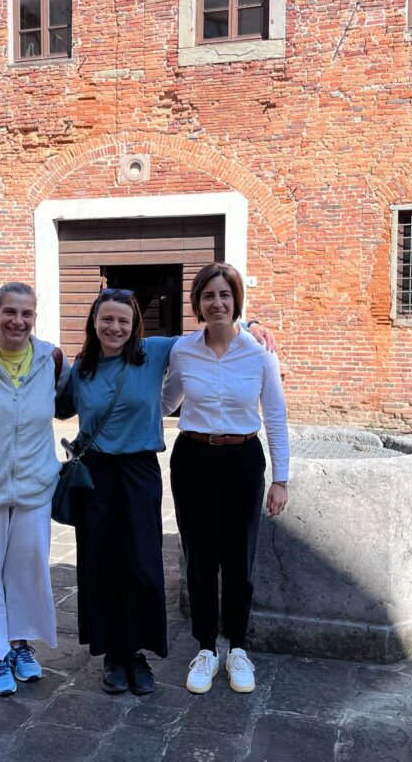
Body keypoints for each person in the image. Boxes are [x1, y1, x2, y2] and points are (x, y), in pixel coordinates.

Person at [56, 288, 274, 696]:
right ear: (94, 322)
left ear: (135, 325)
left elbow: (210, 331)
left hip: (139, 471)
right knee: (101, 564)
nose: (115, 327)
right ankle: (112, 654)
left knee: (142, 564)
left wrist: (249, 324)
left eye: (123, 320)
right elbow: (57, 407)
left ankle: (137, 653)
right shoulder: (81, 367)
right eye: (107, 319)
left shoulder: (153, 352)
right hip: (96, 475)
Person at [161, 263, 289, 695]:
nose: (217, 303)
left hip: (242, 461)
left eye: (225, 295)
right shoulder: (183, 350)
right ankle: (205, 649)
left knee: (239, 559)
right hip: (193, 459)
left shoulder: (259, 354)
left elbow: (275, 416)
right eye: (209, 295)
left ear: (236, 301)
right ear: (197, 302)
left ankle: (237, 648)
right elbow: (167, 401)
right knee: (199, 559)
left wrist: (281, 478)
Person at [0, 282, 68, 696]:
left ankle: (20, 644)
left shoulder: (51, 360)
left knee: (27, 569)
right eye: (9, 312)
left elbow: (72, 401)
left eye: (26, 313)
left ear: (35, 317)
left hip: (35, 485)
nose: (18, 321)